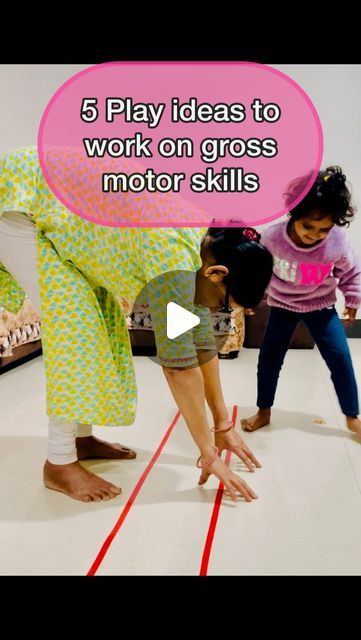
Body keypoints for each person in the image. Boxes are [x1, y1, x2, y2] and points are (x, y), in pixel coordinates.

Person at [0, 146, 273, 503]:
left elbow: (202, 341)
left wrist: (223, 425)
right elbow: (180, 367)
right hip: (24, 204)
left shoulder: (207, 245)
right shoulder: (174, 257)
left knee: (102, 326)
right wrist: (207, 450)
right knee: (77, 333)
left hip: (56, 203)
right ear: (217, 274)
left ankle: (79, 439)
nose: (217, 312)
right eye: (224, 305)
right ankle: (59, 462)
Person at [241, 166, 361, 437]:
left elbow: (352, 271)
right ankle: (264, 411)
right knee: (269, 358)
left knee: (341, 358)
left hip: (320, 306)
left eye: (324, 229)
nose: (314, 234)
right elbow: (257, 269)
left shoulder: (337, 243)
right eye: (308, 226)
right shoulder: (272, 237)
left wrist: (352, 301)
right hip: (282, 305)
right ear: (294, 214)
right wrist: (249, 297)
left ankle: (352, 417)